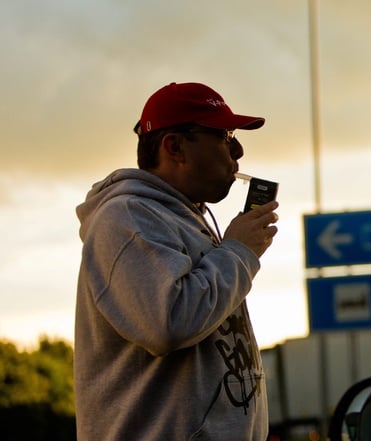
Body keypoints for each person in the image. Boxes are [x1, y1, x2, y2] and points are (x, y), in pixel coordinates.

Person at [74, 82, 279, 440]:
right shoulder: (126, 217)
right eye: (224, 135)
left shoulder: (183, 219)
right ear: (175, 147)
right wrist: (239, 252)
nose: (238, 150)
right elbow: (169, 322)